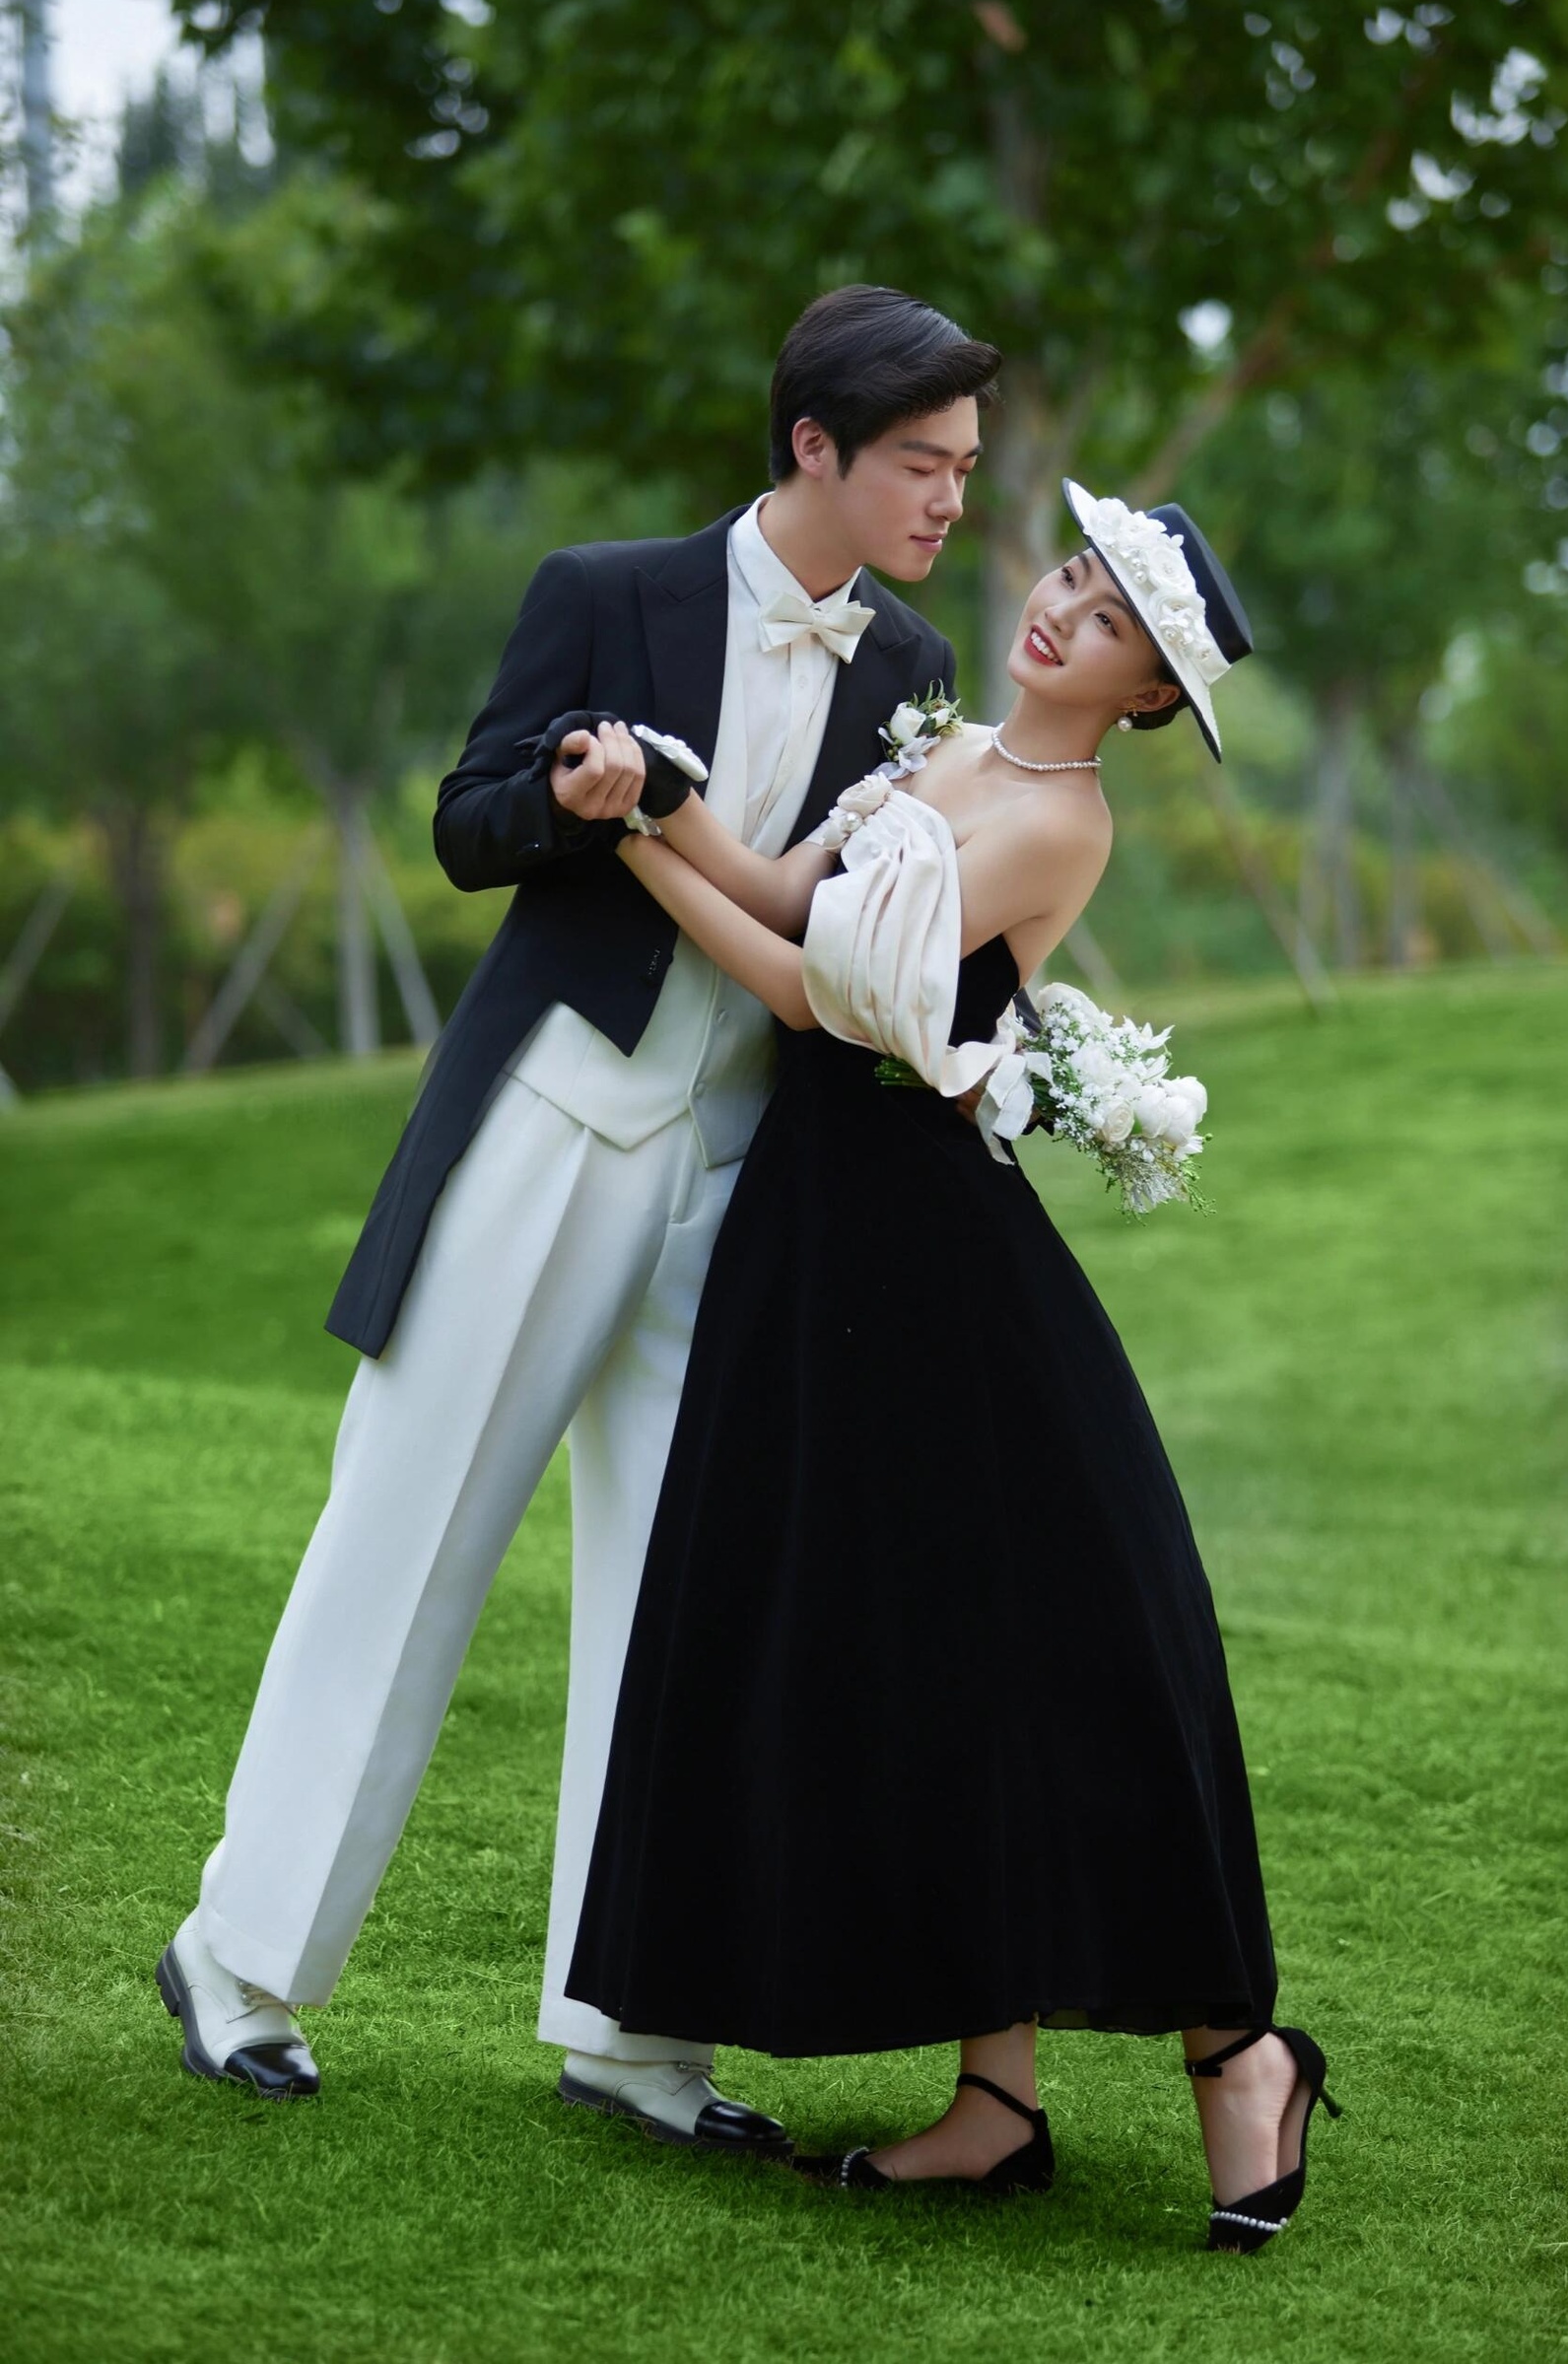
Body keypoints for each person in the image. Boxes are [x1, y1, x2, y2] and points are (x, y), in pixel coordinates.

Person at [156, 286, 1000, 2156]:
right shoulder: (604, 593)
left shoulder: (915, 662)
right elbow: (464, 822)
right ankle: (238, 1958)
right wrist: (565, 789)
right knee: (407, 1531)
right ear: (813, 447)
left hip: (742, 1172)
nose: (951, 497)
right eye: (921, 465)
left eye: (963, 466)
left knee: (689, 1594)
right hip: (552, 1118)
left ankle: (635, 2032)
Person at [566, 481, 1340, 2252]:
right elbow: (787, 888)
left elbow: (805, 991)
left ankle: (1239, 2050)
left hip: (931, 1255)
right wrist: (663, 795)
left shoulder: (1061, 823)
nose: (1062, 608)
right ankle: (998, 2097)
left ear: (1149, 697)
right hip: (817, 1236)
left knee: (1064, 1640)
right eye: (1071, 575)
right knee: (924, 1651)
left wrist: (615, 848)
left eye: (1112, 621)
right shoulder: (946, 746)